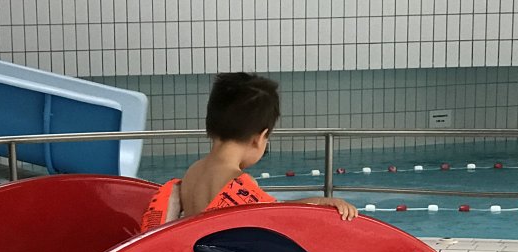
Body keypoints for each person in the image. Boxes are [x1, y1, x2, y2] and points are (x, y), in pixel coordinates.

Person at [141, 72, 358, 232]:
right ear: (259, 138)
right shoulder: (238, 182)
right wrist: (318, 203)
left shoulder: (193, 172)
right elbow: (275, 215)